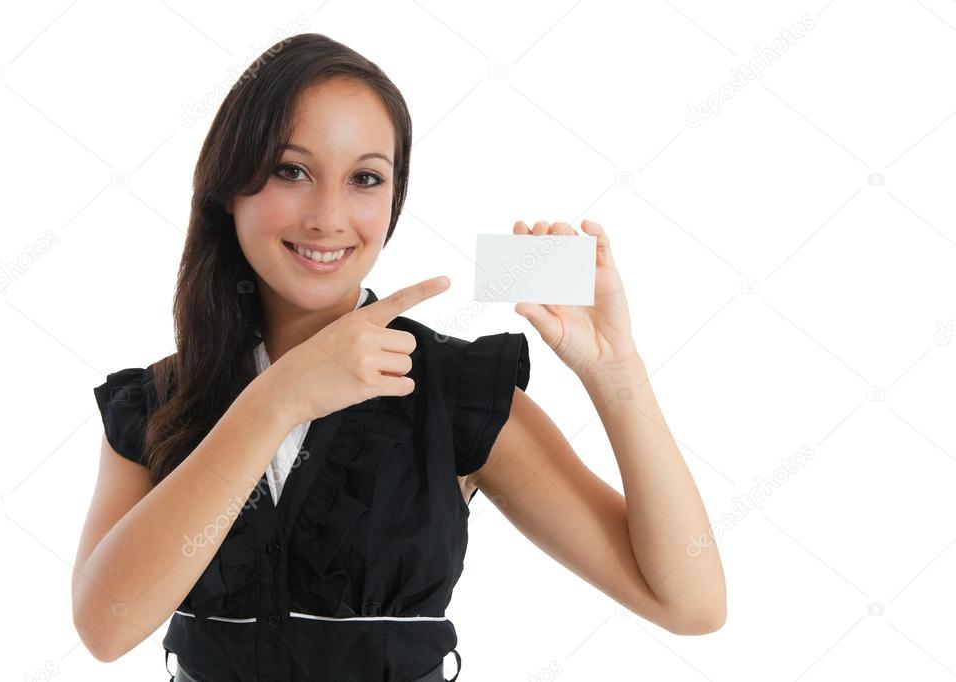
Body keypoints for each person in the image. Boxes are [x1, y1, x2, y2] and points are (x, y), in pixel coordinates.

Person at [72, 33, 725, 682]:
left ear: (394, 200)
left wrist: (616, 372)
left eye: (365, 178)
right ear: (228, 188)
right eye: (290, 170)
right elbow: (106, 628)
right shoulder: (159, 400)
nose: (328, 216)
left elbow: (688, 603)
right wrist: (278, 399)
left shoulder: (453, 393)